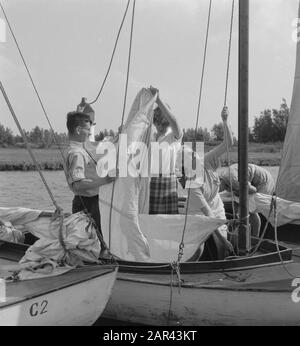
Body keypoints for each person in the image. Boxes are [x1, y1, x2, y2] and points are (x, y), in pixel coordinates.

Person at [180, 106, 234, 260]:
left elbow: (228, 143)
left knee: (222, 251)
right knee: (197, 248)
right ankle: (185, 268)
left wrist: (225, 121)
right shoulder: (192, 186)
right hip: (197, 213)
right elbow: (208, 216)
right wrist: (222, 240)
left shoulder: (206, 160)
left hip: (215, 205)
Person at [63, 111, 116, 253]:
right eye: (87, 130)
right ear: (79, 130)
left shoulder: (78, 148)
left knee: (87, 239)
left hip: (84, 201)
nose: (89, 133)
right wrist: (104, 180)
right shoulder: (77, 153)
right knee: (94, 239)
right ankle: (101, 264)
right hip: (87, 203)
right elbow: (78, 184)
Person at [149, 86, 183, 214]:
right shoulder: (151, 137)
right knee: (149, 222)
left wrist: (158, 100)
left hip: (167, 183)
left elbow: (174, 121)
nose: (159, 125)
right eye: (156, 122)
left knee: (168, 221)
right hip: (150, 182)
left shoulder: (173, 136)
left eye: (163, 122)